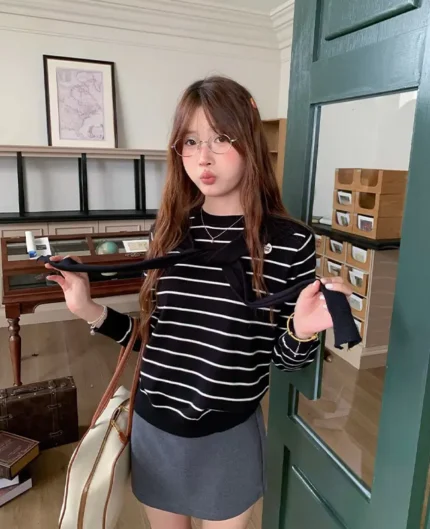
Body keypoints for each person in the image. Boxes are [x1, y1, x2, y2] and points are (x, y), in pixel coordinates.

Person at [45, 76, 352, 529]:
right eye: (190, 141)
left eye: (221, 138)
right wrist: (88, 310)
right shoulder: (170, 230)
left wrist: (302, 331)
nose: (203, 157)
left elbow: (287, 361)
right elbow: (156, 340)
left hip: (228, 436)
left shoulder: (290, 242)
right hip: (154, 427)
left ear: (250, 143)